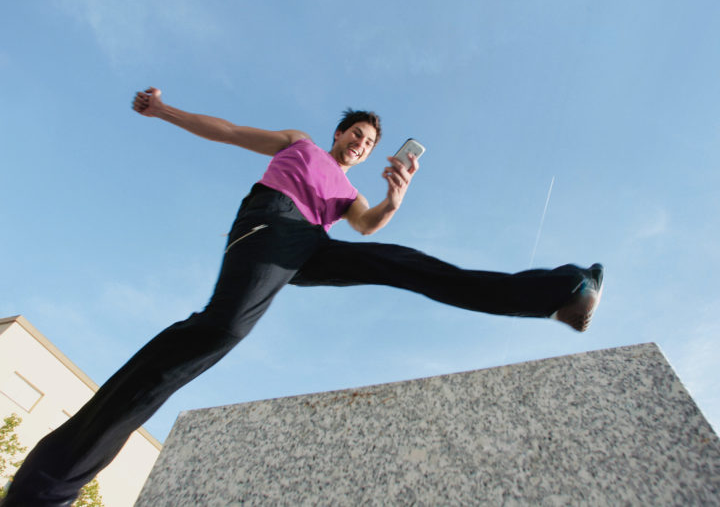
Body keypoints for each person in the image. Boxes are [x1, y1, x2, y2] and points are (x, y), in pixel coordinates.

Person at [2, 88, 603, 506]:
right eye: (358, 136)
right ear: (340, 133)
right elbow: (231, 132)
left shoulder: (345, 191)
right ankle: (46, 487)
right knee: (220, 330)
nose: (362, 147)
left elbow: (368, 226)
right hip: (271, 223)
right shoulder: (302, 144)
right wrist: (163, 112)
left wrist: (396, 197)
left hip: (310, 246)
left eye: (370, 146)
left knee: (404, 263)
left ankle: (559, 291)